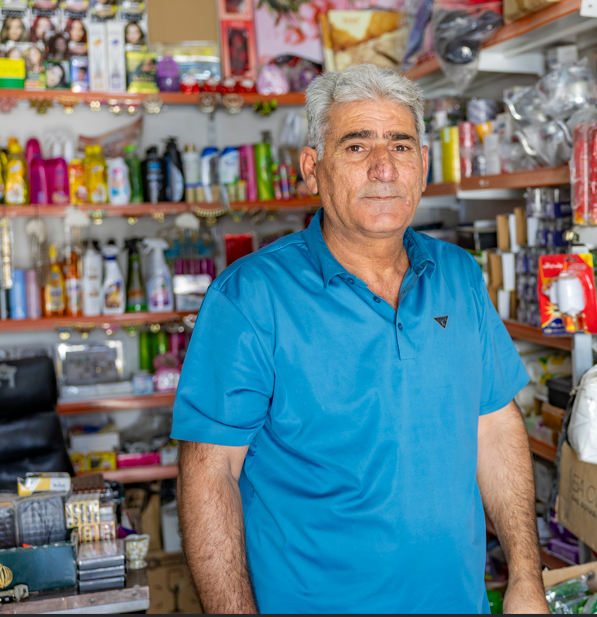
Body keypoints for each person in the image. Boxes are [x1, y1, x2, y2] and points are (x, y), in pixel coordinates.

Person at [173, 64, 548, 615]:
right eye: (356, 147)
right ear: (313, 169)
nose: (383, 168)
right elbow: (209, 476)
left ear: (422, 165)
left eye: (400, 145)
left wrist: (525, 575)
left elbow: (494, 424)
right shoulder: (250, 297)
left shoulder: (458, 274)